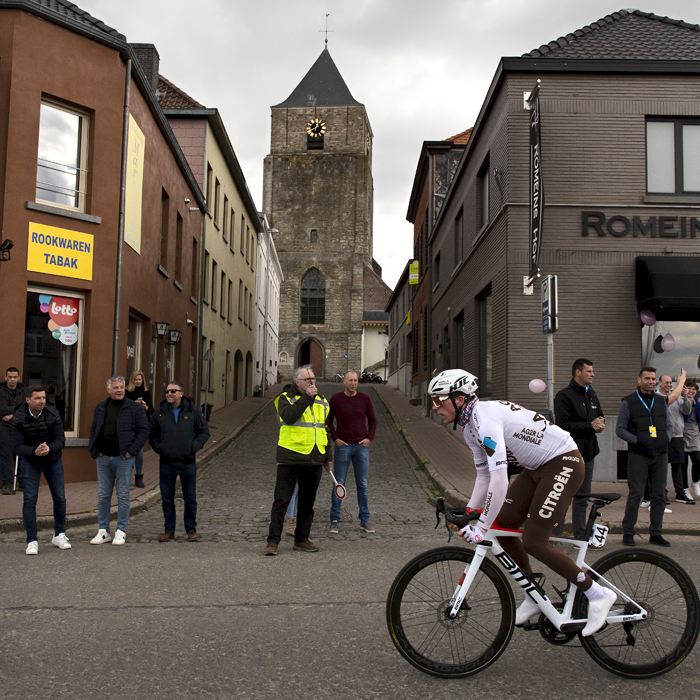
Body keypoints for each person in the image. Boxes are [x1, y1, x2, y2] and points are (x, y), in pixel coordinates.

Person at [429, 368, 616, 637]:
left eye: (438, 400)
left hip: (564, 461)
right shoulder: (469, 428)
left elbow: (499, 479)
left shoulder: (486, 419)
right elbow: (483, 475)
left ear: (459, 399)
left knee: (533, 540)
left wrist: (480, 526)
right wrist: (471, 511)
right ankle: (534, 594)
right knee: (503, 524)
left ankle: (597, 593)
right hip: (537, 467)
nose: (435, 407)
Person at [264, 365, 332, 555]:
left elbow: (324, 428)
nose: (312, 382)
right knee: (281, 501)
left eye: (314, 379)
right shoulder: (284, 398)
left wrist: (328, 457)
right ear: (297, 382)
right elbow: (290, 417)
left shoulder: (322, 401)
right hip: (290, 457)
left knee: (307, 503)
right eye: (307, 380)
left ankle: (302, 539)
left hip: (314, 457)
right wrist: (307, 398)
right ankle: (273, 541)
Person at [88, 376, 149, 546]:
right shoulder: (100, 407)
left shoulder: (134, 408)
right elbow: (94, 429)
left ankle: (121, 531)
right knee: (103, 495)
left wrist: (132, 452)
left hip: (123, 459)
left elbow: (144, 431)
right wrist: (94, 450)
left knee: (123, 495)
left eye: (121, 387)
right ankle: (103, 530)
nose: (119, 390)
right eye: (115, 387)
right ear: (108, 389)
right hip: (103, 458)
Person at [616, 367, 673, 548]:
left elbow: (669, 425)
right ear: (639, 379)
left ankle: (656, 533)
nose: (651, 382)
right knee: (636, 495)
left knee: (659, 496)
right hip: (638, 455)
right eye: (647, 378)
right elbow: (620, 429)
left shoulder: (661, 401)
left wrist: (666, 439)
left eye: (653, 379)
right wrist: (638, 440)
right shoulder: (629, 402)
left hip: (660, 455)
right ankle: (628, 532)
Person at [149, 381, 209, 542]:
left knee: (190, 497)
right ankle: (169, 530)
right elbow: (152, 433)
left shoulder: (193, 411)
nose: (169, 394)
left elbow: (204, 432)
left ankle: (191, 529)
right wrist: (159, 448)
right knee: (167, 498)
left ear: (181, 393)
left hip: (187, 461)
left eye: (173, 391)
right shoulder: (160, 412)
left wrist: (193, 447)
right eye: (167, 391)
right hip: (166, 462)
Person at [552, 359, 605, 542]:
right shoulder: (564, 396)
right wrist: (590, 426)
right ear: (578, 373)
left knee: (582, 496)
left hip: (589, 453)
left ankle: (580, 536)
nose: (593, 374)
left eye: (592, 371)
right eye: (589, 371)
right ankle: (555, 535)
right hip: (571, 455)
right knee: (564, 495)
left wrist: (600, 423)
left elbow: (600, 415)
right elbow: (563, 425)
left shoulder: (592, 395)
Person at [12, 386, 69, 555]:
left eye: (43, 398)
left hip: (52, 460)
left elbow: (61, 440)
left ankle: (59, 534)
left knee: (59, 497)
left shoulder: (53, 413)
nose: (42, 401)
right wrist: (33, 452)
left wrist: (49, 448)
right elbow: (16, 446)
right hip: (31, 461)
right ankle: (32, 540)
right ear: (28, 400)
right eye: (37, 398)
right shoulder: (19, 416)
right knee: (29, 500)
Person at [327, 370, 377, 533]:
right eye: (350, 380)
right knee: (338, 483)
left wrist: (369, 438)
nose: (353, 383)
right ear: (344, 382)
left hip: (361, 447)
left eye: (355, 380)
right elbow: (328, 422)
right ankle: (335, 519)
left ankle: (365, 519)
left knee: (362, 484)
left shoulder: (365, 399)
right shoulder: (335, 399)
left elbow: (373, 420)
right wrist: (336, 439)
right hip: (343, 447)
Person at [656, 372, 693, 505]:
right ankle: (662, 493)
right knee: (662, 466)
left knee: (677, 465)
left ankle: (680, 492)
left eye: (671, 383)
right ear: (659, 383)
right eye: (666, 382)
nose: (669, 385)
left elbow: (687, 411)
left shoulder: (677, 397)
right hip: (663, 436)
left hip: (678, 435)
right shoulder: (656, 397)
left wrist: (684, 398)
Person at [125, 370, 154, 489]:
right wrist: (133, 404)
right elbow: (123, 408)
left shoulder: (146, 392)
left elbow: (152, 410)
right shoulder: (127, 392)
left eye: (139, 380)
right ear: (132, 380)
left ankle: (138, 476)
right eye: (135, 380)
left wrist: (145, 407)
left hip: (141, 425)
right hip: (129, 425)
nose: (137, 382)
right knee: (129, 450)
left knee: (140, 452)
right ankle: (126, 476)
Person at [0, 367, 25, 494]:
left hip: (19, 427)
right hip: (4, 428)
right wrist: (17, 410)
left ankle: (21, 481)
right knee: (6, 454)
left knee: (20, 454)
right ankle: (7, 483)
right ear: (5, 377)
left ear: (18, 378)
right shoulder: (1, 390)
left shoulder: (23, 390)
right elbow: (2, 410)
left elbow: (27, 408)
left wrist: (12, 415)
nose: (12, 380)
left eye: (15, 377)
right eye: (10, 377)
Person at [683, 379, 700, 497]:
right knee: (683, 465)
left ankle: (695, 483)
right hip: (682, 435)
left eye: (694, 389)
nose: (691, 391)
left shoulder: (698, 402)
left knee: (698, 461)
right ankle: (684, 489)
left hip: (695, 435)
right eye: (689, 388)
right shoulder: (680, 401)